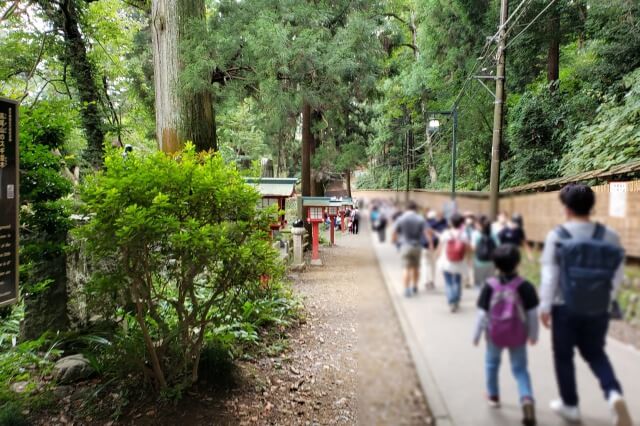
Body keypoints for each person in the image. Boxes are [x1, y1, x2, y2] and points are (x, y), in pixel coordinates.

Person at [539, 183, 632, 426]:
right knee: (595, 353)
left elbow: (550, 277)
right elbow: (617, 274)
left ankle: (570, 406)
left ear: (566, 208)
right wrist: (607, 299)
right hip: (598, 307)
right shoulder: (610, 236)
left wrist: (544, 307)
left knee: (563, 356)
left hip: (564, 307)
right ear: (591, 207)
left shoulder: (557, 236)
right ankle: (613, 394)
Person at [473, 244, 539, 426]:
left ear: (495, 264)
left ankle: (493, 396)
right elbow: (533, 313)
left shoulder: (489, 285)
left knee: (491, 364)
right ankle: (526, 398)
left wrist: (476, 335)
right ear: (518, 263)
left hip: (494, 334)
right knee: (520, 369)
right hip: (518, 334)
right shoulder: (525, 286)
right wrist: (533, 334)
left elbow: (481, 313)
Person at [392, 201, 429, 298]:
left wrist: (395, 242)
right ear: (415, 209)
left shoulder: (400, 219)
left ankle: (406, 289)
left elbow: (394, 232)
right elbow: (426, 233)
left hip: (405, 246)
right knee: (416, 267)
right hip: (417, 246)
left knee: (406, 269)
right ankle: (415, 286)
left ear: (406, 208)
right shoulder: (420, 219)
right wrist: (430, 245)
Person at [435, 213, 469, 312]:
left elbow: (440, 247)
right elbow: (467, 248)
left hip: (446, 260)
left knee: (448, 281)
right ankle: (456, 300)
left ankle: (451, 301)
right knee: (457, 280)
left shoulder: (446, 233)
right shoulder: (464, 234)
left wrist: (437, 256)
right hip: (459, 261)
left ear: (451, 223)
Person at [471, 215, 498, 288]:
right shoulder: (494, 233)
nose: (475, 225)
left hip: (479, 262)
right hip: (491, 262)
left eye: (476, 223)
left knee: (480, 284)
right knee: (491, 283)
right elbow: (498, 246)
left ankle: (483, 297)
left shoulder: (475, 234)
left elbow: (473, 248)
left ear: (479, 224)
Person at [424, 210, 447, 290]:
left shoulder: (425, 224)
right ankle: (432, 281)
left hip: (425, 246)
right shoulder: (442, 225)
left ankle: (426, 281)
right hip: (436, 246)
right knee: (433, 264)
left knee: (426, 264)